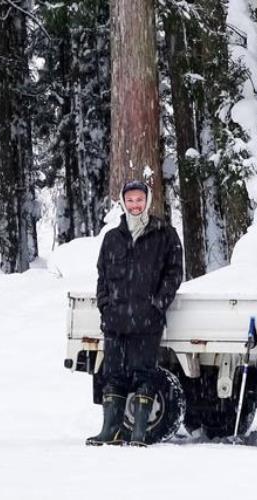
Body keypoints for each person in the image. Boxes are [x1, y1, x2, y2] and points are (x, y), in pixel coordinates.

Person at [86, 180, 183, 447]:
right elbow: (102, 276)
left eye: (139, 200)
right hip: (115, 319)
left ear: (148, 201)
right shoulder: (112, 238)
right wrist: (105, 305)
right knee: (113, 375)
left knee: (144, 374)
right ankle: (111, 431)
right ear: (123, 202)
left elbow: (174, 273)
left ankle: (139, 432)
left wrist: (158, 304)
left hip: (147, 320)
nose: (135, 205)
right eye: (130, 200)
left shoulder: (164, 234)